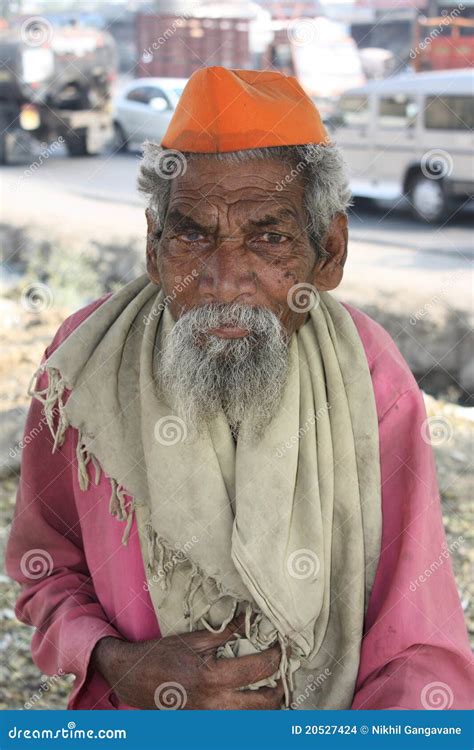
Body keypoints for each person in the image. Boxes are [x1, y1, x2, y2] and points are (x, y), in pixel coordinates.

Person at [6, 66, 473, 711]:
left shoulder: (369, 375)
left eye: (270, 237)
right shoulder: (84, 363)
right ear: (152, 246)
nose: (225, 280)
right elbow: (45, 569)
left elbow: (415, 642)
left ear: (329, 251)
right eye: (193, 234)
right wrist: (116, 663)